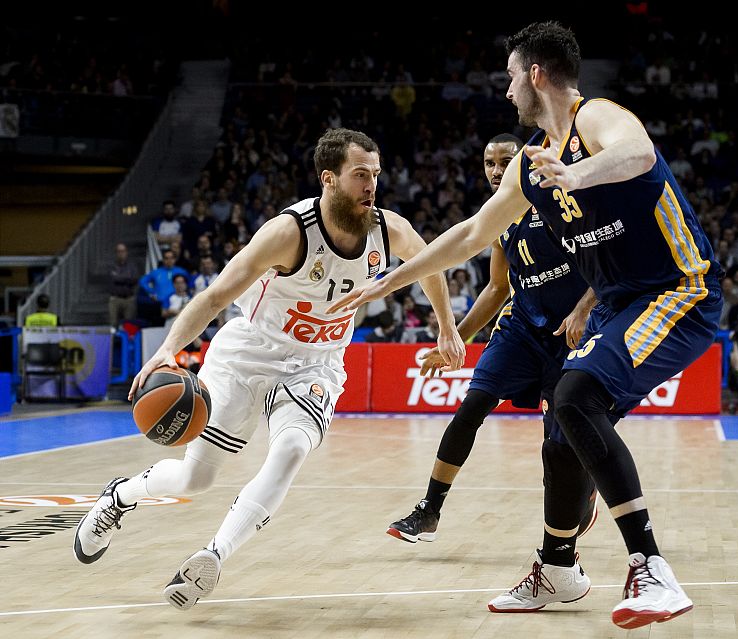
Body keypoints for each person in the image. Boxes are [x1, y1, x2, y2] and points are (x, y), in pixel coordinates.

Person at [329, 22, 723, 630]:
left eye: (511, 76)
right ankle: (559, 569)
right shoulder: (530, 164)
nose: (507, 88)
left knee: (576, 394)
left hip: (679, 287)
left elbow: (638, 154)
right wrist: (391, 280)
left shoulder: (597, 119)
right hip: (622, 301)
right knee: (562, 430)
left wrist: (580, 175)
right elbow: (470, 235)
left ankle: (652, 568)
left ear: (535, 74)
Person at [73, 128, 465, 610]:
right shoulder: (288, 233)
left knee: (293, 447)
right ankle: (121, 497)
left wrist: (448, 328)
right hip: (249, 353)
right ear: (329, 179)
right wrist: (168, 350)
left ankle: (214, 555)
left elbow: (433, 265)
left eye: (375, 176)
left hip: (316, 364)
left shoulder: (389, 230)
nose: (371, 186)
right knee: (196, 478)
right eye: (360, 175)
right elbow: (217, 295)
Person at [386, 135, 599, 576]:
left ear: (523, 162)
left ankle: (583, 497)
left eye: (505, 161)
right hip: (521, 327)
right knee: (471, 406)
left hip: (571, 332)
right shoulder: (499, 219)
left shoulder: (560, 204)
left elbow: (608, 265)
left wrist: (583, 309)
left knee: (559, 441)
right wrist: (455, 339)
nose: (497, 169)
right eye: (489, 162)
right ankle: (429, 510)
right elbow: (497, 288)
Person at [108, 243, 138, 326]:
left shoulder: (132, 266)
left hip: (129, 299)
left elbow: (134, 280)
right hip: (115, 299)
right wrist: (127, 278)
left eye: (123, 251)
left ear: (126, 252)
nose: (121, 253)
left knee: (128, 325)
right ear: (116, 253)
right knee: (113, 323)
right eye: (119, 251)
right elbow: (113, 279)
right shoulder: (112, 266)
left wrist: (119, 277)